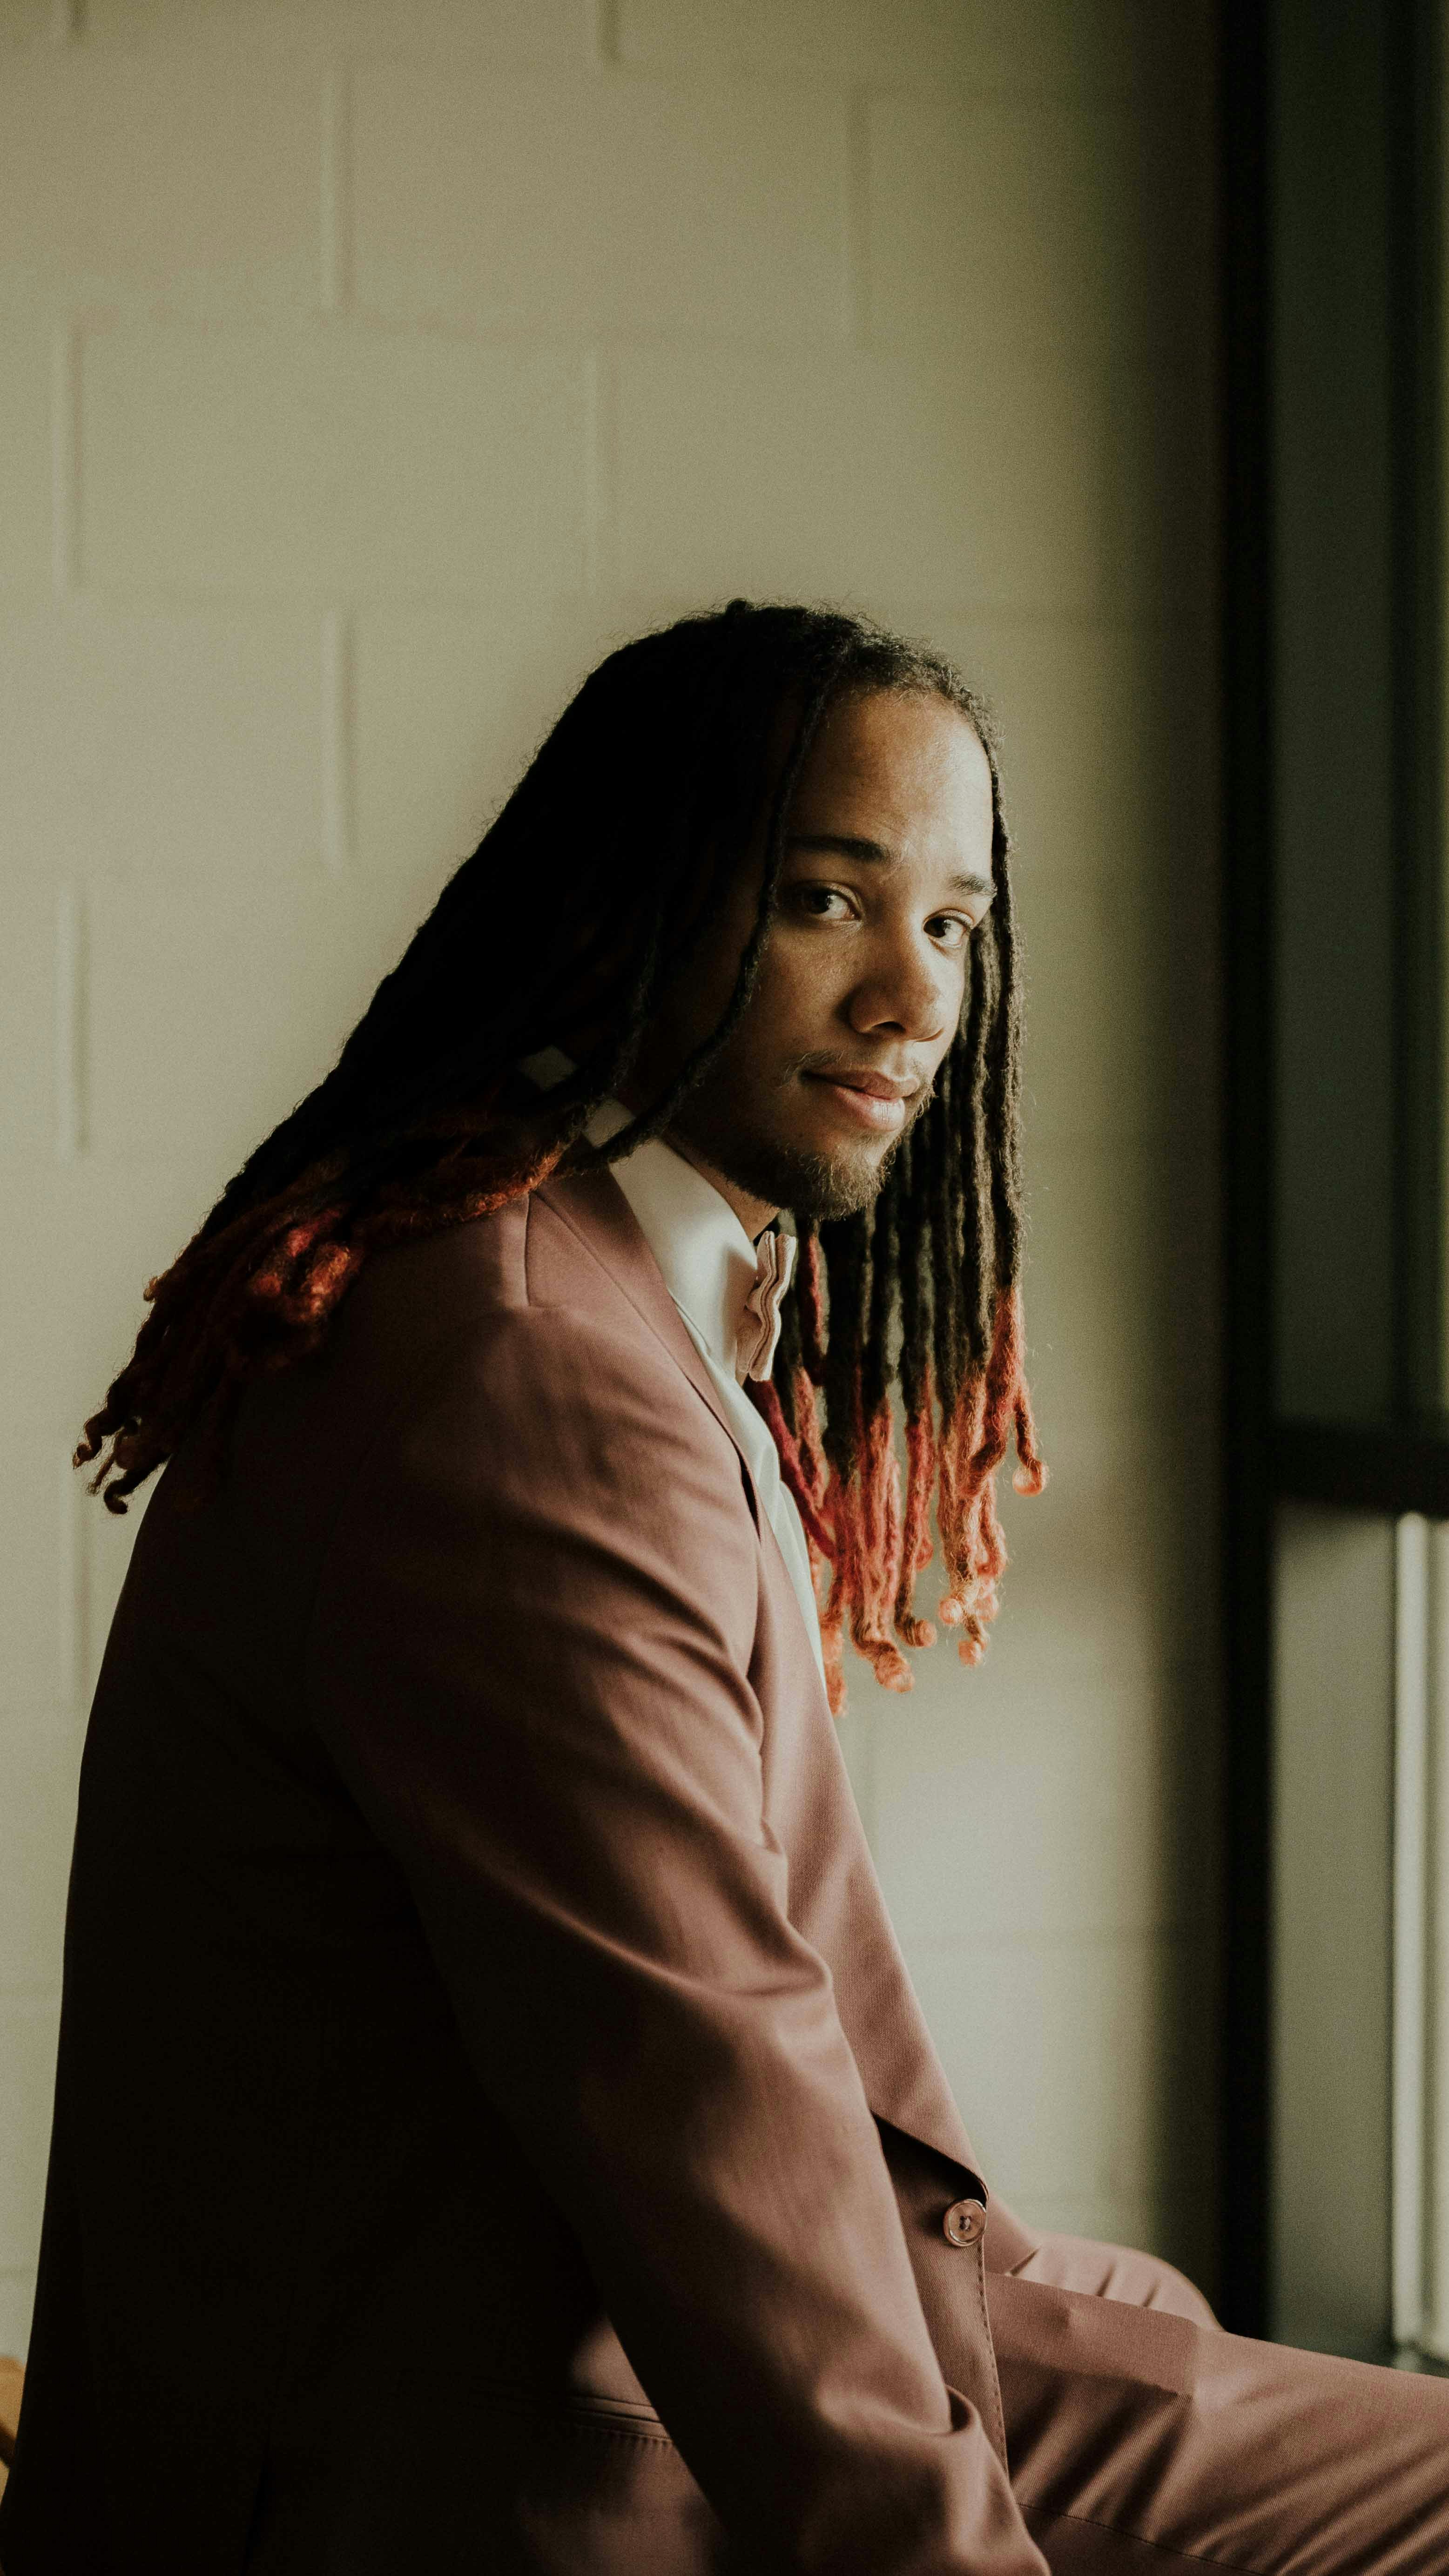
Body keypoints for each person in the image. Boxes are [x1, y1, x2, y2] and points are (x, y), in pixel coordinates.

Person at [2, 601, 1446, 2575]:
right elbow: (699, 2099)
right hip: (489, 2466)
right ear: (638, 898)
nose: (912, 998)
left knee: (1221, 2354)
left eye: (950, 923)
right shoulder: (522, 1367)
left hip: (596, 2360)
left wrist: (1052, 2304)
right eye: (822, 899)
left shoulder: (577, 1280)